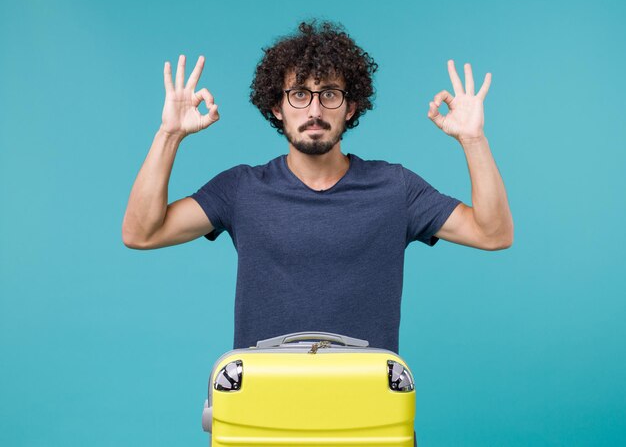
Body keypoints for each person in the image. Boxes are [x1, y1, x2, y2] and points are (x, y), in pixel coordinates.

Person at [122, 20, 513, 355]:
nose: (313, 110)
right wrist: (169, 134)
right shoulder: (241, 189)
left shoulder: (395, 188)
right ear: (277, 107)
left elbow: (493, 234)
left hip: (367, 408)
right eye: (299, 94)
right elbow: (142, 232)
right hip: (264, 408)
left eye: (329, 94)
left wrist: (473, 140)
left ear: (350, 107)